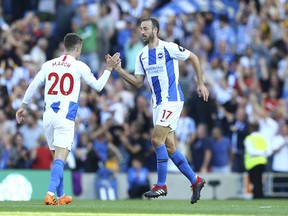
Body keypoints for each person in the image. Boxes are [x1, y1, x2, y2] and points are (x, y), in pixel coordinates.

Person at [110, 17, 209, 204]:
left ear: (155, 30)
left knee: (156, 139)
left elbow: (193, 57)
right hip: (157, 104)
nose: (142, 32)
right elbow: (138, 82)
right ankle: (195, 180)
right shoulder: (141, 55)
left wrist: (200, 83)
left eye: (146, 28)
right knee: (170, 147)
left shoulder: (169, 48)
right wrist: (119, 70)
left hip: (172, 100)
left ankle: (161, 185)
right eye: (141, 29)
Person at [15, 33, 120, 205]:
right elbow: (98, 87)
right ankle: (50, 193)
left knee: (58, 158)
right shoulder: (79, 66)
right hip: (65, 116)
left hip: (48, 116)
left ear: (65, 46)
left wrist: (23, 106)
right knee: (60, 158)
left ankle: (62, 195)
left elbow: (34, 84)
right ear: (78, 48)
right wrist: (108, 69)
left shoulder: (49, 64)